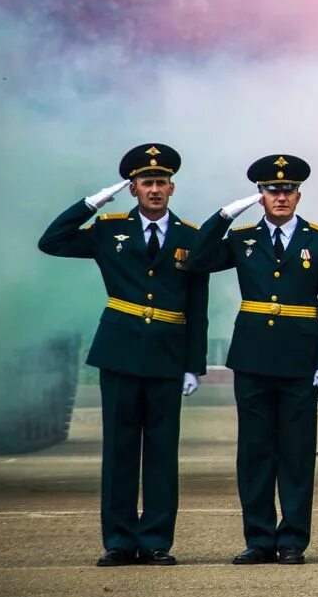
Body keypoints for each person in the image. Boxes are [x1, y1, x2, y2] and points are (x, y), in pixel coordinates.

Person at [38, 143, 209, 567]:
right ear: (132, 189)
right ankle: (117, 539)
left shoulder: (192, 236)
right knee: (119, 451)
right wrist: (91, 203)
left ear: (172, 187)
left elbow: (198, 306)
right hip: (119, 353)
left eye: (161, 183)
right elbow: (52, 242)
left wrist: (194, 365)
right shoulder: (109, 228)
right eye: (146, 182)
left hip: (168, 355)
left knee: (161, 453)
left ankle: (155, 541)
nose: (155, 189)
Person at [190, 154, 318, 565]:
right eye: (272, 190)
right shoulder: (242, 239)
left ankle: (293, 538)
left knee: (296, 453)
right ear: (260, 196)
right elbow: (198, 259)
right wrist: (222, 216)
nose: (281, 196)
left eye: (288, 190)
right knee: (255, 452)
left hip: (300, 358)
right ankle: (258, 537)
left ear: (299, 194)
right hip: (254, 357)